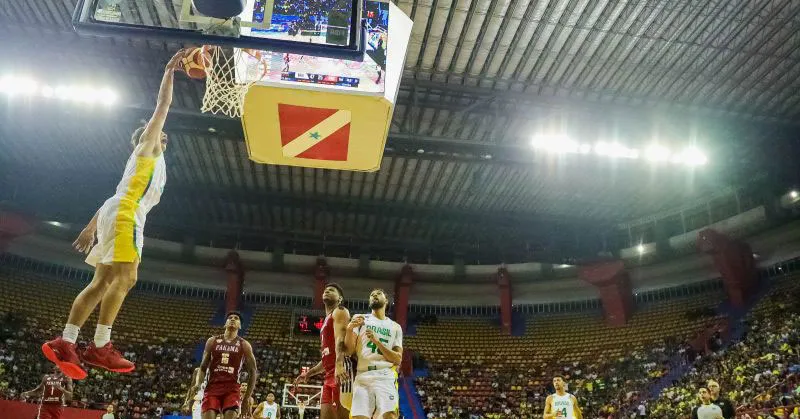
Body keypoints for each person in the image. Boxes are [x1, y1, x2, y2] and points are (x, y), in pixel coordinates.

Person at [41, 49, 186, 380]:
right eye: (157, 131)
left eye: (163, 134)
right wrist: (168, 71)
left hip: (116, 211)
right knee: (127, 277)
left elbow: (114, 197)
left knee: (101, 281)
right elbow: (162, 108)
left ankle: (67, 341)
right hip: (126, 214)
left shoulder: (148, 163)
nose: (162, 134)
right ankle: (100, 346)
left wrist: (91, 227)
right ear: (146, 136)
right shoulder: (148, 145)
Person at [294, 283, 352, 419]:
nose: (327, 291)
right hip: (329, 375)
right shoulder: (326, 320)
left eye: (332, 290)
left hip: (342, 372)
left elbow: (341, 340)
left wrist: (339, 364)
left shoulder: (340, 311)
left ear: (340, 299)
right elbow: (327, 357)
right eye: (325, 290)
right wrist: (309, 373)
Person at [344, 289, 403, 419]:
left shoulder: (395, 327)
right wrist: (349, 330)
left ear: (386, 301)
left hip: (385, 375)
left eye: (378, 293)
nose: (374, 295)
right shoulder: (360, 319)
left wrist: (377, 341)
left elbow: (398, 359)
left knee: (390, 416)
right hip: (363, 374)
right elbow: (348, 351)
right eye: (371, 294)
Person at [190, 311, 258, 419]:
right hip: (212, 387)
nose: (232, 319)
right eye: (230, 317)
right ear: (225, 323)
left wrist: (246, 399)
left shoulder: (244, 344)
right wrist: (198, 383)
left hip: (232, 389)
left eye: (236, 318)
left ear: (240, 325)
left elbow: (253, 371)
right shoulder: (212, 341)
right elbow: (203, 367)